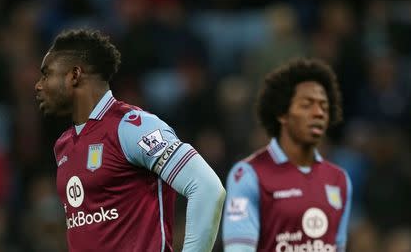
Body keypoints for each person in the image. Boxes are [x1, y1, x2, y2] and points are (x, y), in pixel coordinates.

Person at [34, 29, 226, 252]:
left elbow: (207, 188)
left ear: (75, 75)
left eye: (46, 74)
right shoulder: (63, 145)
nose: (38, 85)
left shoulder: (131, 127)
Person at [222, 58, 352, 252]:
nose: (319, 113)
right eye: (307, 105)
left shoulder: (339, 180)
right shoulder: (248, 174)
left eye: (324, 106)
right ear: (282, 114)